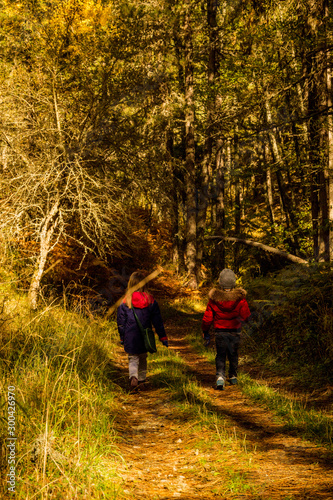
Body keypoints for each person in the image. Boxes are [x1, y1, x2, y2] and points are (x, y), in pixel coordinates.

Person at [117, 271, 168, 390]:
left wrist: (122, 336)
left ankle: (133, 377)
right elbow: (157, 321)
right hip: (145, 336)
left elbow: (121, 321)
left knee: (133, 358)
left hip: (130, 336)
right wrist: (163, 337)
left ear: (131, 284)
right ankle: (142, 380)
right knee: (143, 357)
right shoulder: (150, 300)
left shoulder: (126, 301)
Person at [202, 268, 250, 390]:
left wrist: (205, 331)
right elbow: (246, 316)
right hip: (235, 331)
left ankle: (220, 377)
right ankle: (233, 376)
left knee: (221, 354)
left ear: (221, 283)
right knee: (233, 353)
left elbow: (207, 317)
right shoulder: (240, 299)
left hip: (220, 331)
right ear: (233, 283)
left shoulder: (214, 299)